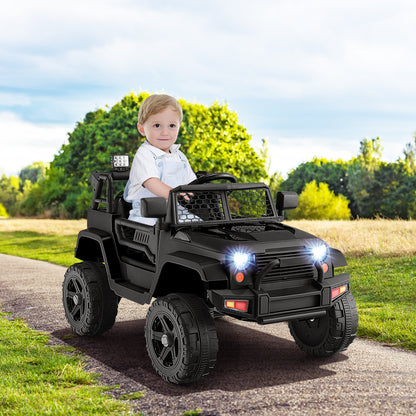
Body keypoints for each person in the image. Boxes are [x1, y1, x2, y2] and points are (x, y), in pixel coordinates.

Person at [124, 94, 196, 225]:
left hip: (178, 212)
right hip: (147, 214)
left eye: (172, 126)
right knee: (149, 229)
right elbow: (151, 182)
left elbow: (192, 184)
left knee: (200, 225)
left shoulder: (180, 157)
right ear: (142, 129)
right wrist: (176, 195)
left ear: (179, 126)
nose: (165, 132)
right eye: (157, 125)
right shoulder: (145, 154)